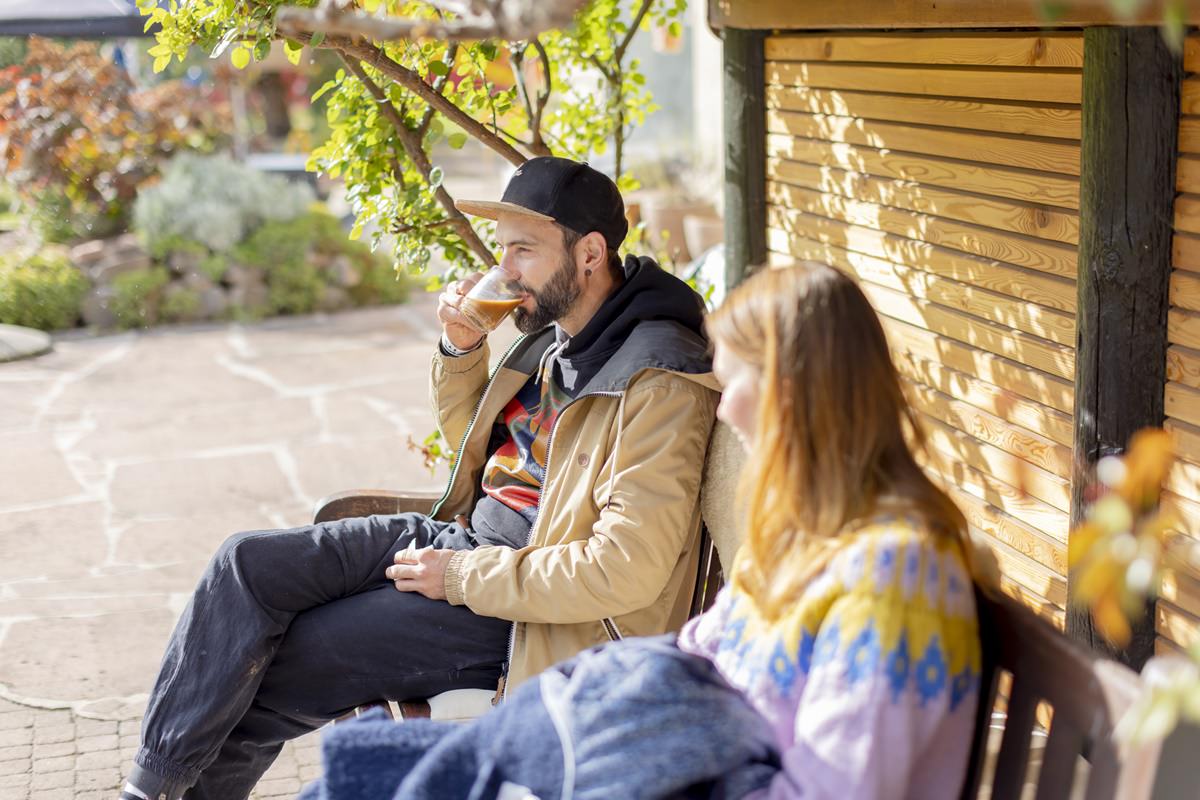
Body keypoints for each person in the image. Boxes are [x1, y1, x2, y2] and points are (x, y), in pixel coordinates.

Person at [118, 156, 721, 800]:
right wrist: (462, 349)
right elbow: (477, 447)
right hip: (468, 542)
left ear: (591, 252)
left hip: (527, 612)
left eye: (524, 250)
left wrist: (457, 578)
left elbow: (626, 569)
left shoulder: (657, 380)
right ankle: (150, 788)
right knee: (246, 565)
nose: (505, 269)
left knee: (283, 659)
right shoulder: (566, 331)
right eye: (503, 249)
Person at [300, 262, 984, 800]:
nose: (726, 406)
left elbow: (841, 790)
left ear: (800, 390)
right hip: (659, 764)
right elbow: (694, 655)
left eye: (738, 377)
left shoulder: (896, 575)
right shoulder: (810, 536)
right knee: (377, 771)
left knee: (393, 774)